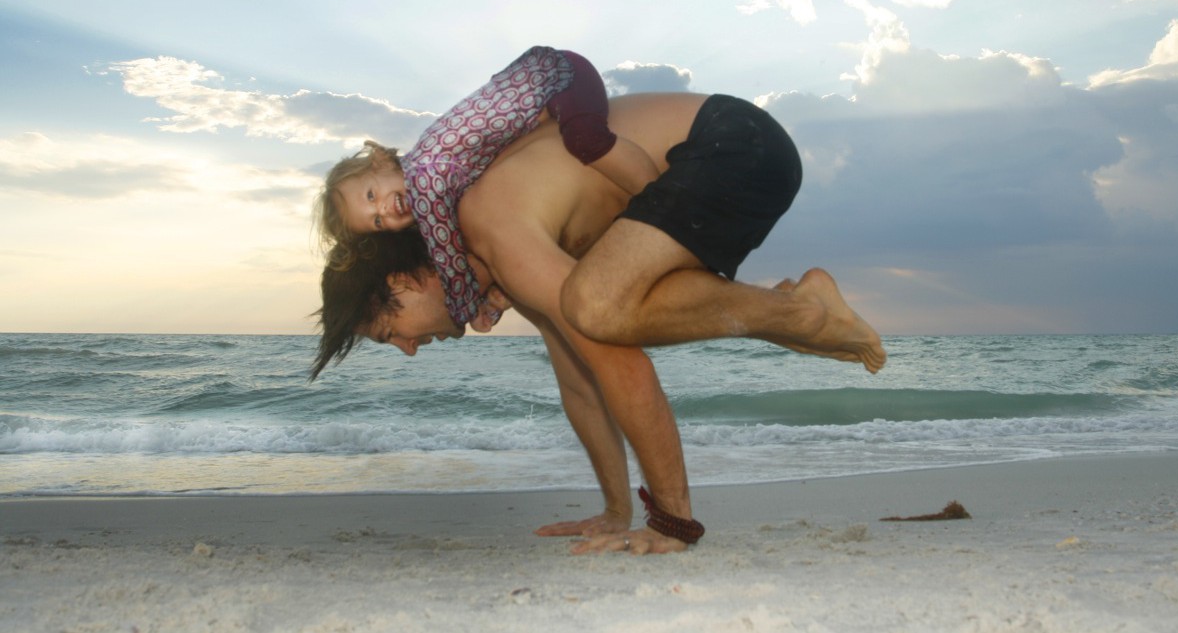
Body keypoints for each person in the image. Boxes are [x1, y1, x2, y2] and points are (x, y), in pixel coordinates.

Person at [313, 91, 887, 555]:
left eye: (390, 333)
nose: (409, 348)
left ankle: (800, 315)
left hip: (731, 144)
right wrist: (616, 510)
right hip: (738, 152)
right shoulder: (502, 261)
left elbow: (622, 367)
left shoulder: (489, 224)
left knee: (596, 306)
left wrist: (671, 522)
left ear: (401, 281)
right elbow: (582, 385)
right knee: (594, 309)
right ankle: (799, 311)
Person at [314, 47, 658, 332]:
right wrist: (492, 302)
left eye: (372, 196)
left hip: (559, 77)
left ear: (380, 161)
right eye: (377, 222)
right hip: (544, 92)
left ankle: (658, 194)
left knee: (587, 140)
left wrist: (463, 310)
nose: (385, 211)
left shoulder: (425, 178)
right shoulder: (440, 184)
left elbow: (449, 259)